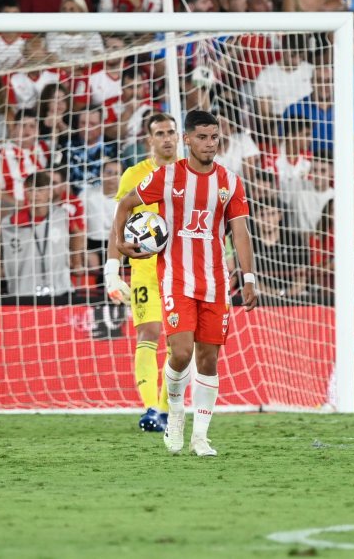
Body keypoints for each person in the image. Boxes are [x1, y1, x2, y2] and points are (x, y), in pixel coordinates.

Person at [109, 109, 258, 457]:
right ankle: (175, 414)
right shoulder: (167, 176)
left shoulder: (230, 182)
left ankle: (201, 436)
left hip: (216, 282)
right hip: (176, 278)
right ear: (187, 140)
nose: (209, 144)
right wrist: (119, 243)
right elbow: (125, 206)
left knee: (208, 361)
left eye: (214, 137)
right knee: (181, 353)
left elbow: (240, 231)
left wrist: (248, 278)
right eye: (202, 137)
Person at [104, 113, 179, 432]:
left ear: (179, 137)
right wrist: (111, 271)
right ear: (150, 140)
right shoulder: (135, 174)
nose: (166, 138)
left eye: (171, 132)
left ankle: (165, 409)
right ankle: (151, 408)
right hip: (145, 267)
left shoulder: (192, 173)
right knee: (148, 333)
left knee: (180, 342)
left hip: (181, 267)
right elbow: (118, 224)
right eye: (159, 133)